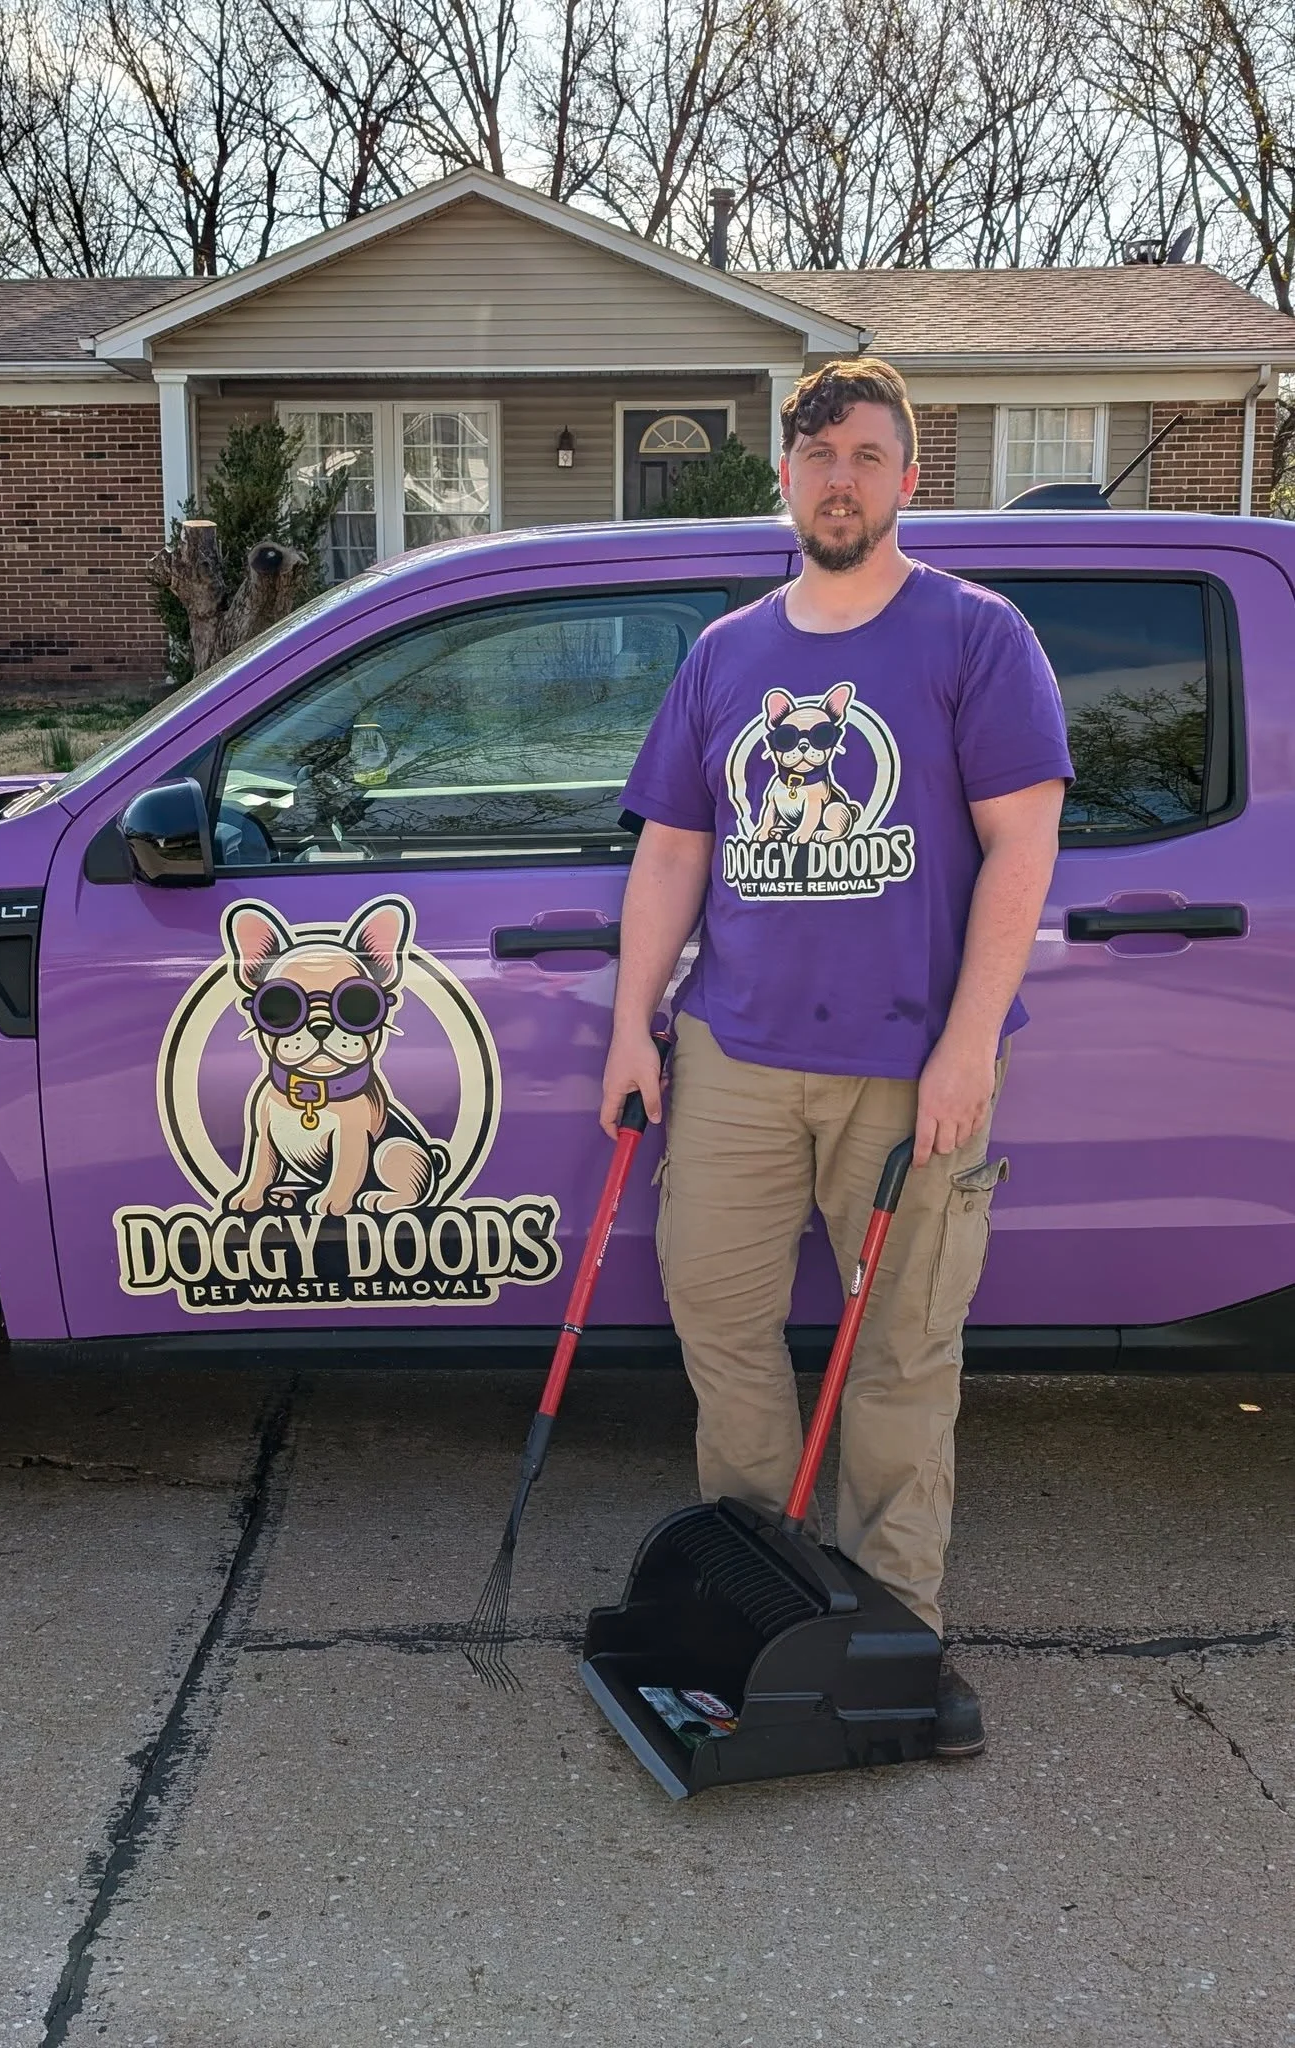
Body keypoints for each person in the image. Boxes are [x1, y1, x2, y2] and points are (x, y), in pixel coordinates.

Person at [600, 357, 1071, 1759]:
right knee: (724, 1336)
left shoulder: (976, 638)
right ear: (784, 479)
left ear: (906, 477)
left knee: (900, 1359)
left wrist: (966, 1046)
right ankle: (760, 1609)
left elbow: (1021, 846)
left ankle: (894, 1644)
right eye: (815, 458)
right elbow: (674, 847)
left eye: (865, 456)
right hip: (734, 1057)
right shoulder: (724, 655)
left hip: (908, 1068)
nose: (839, 479)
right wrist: (634, 1021)